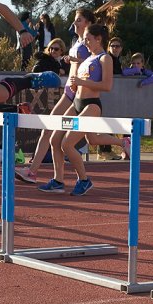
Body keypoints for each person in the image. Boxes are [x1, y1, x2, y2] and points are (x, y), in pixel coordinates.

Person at [14, 8, 128, 184]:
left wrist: (75, 65)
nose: (74, 23)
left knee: (51, 131)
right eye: (75, 19)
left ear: (89, 24)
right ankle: (124, 142)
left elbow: (94, 69)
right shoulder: (79, 42)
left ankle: (34, 171)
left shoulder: (89, 46)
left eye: (79, 20)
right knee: (91, 138)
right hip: (72, 93)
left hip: (76, 95)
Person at [37, 24, 117, 195]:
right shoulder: (88, 58)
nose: (85, 42)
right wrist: (75, 86)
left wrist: (82, 83)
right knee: (54, 140)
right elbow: (83, 79)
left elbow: (107, 86)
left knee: (67, 144)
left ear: (98, 39)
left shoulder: (105, 58)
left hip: (91, 105)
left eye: (88, 39)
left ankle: (84, 180)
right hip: (77, 103)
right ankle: (58, 180)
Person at [97, 36, 125, 160]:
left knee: (110, 122)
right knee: (105, 122)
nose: (114, 48)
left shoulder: (117, 60)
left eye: (117, 46)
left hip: (113, 95)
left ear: (121, 48)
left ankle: (105, 150)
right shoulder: (107, 59)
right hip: (104, 94)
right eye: (112, 46)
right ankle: (104, 151)